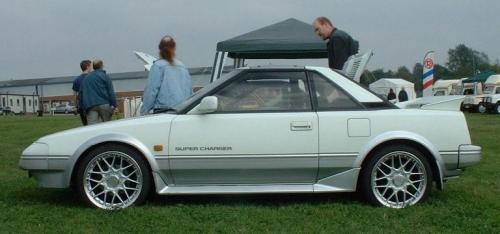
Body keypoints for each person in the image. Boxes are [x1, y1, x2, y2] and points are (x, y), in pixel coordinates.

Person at [140, 36, 192, 115]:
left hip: (163, 111)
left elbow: (151, 92)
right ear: (174, 49)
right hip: (182, 111)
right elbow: (190, 92)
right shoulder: (183, 67)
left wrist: (144, 112)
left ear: (160, 50)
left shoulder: (158, 66)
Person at [79, 60, 117, 125]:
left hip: (90, 106)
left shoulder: (86, 78)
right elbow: (110, 92)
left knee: (92, 128)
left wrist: (83, 108)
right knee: (107, 125)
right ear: (102, 66)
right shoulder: (105, 76)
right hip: (104, 104)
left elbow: (81, 94)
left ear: (93, 67)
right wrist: (114, 105)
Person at [72, 60, 91, 125]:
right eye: (90, 66)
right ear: (87, 67)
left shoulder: (76, 80)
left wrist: (75, 107)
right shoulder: (92, 78)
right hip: (92, 105)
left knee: (85, 125)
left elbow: (75, 95)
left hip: (82, 107)